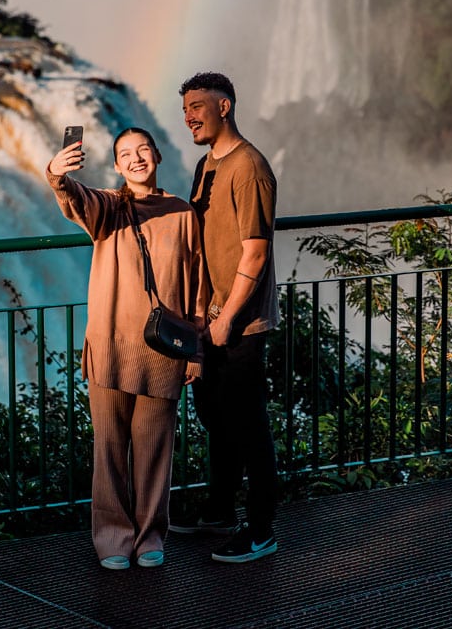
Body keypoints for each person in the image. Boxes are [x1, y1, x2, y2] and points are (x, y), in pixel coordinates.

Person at [46, 127, 206, 571]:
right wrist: (57, 176)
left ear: (157, 154)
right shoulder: (109, 208)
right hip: (112, 348)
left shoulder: (182, 213)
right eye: (125, 155)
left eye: (142, 150)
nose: (136, 159)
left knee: (155, 450)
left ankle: (151, 535)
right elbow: (75, 200)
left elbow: (197, 286)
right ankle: (113, 538)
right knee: (110, 449)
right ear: (116, 166)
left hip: (163, 351)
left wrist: (196, 351)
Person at [170, 71, 280, 563]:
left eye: (197, 105)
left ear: (225, 106)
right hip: (209, 318)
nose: (189, 115)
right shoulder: (205, 166)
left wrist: (229, 316)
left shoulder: (249, 167)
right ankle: (218, 510)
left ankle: (261, 529)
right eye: (186, 108)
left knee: (248, 425)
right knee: (214, 417)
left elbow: (255, 253)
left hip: (241, 323)